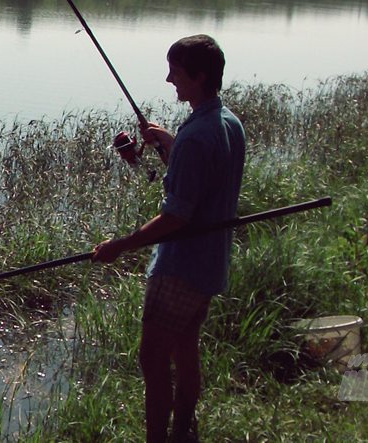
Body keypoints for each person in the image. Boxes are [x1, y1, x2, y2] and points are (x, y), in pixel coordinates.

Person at [92, 34, 245, 443]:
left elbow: (177, 216)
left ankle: (159, 438)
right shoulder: (226, 122)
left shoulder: (197, 136)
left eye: (175, 73)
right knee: (185, 348)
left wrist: (120, 245)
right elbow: (204, 182)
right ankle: (183, 431)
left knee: (154, 358)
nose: (168, 79)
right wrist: (171, 146)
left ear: (197, 76)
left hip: (180, 267)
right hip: (210, 263)